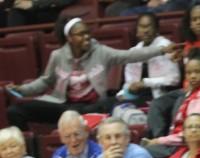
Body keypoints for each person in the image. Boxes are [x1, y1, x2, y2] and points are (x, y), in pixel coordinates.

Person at [6, 17, 178, 131]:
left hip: (94, 107)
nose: (86, 37)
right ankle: (25, 153)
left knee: (109, 102)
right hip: (64, 106)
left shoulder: (101, 52)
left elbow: (129, 55)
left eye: (87, 32)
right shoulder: (57, 56)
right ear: (70, 38)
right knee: (16, 110)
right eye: (81, 34)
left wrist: (161, 50)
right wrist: (23, 89)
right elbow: (45, 82)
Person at [142, 47, 200, 158]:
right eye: (189, 73)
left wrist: (159, 141)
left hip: (188, 146)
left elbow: (194, 131)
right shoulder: (192, 92)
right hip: (176, 143)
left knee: (142, 154)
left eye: (197, 72)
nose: (192, 76)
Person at [119, 13, 182, 107]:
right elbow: (129, 83)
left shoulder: (166, 47)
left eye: (149, 27)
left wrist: (146, 83)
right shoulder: (133, 52)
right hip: (135, 97)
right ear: (137, 30)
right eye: (142, 27)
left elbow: (174, 79)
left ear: (156, 29)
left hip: (158, 98)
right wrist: (125, 91)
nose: (146, 31)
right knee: (108, 104)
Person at [5, 0, 76, 27]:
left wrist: (34, 4)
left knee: (17, 13)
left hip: (52, 11)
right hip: (29, 11)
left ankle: (16, 47)